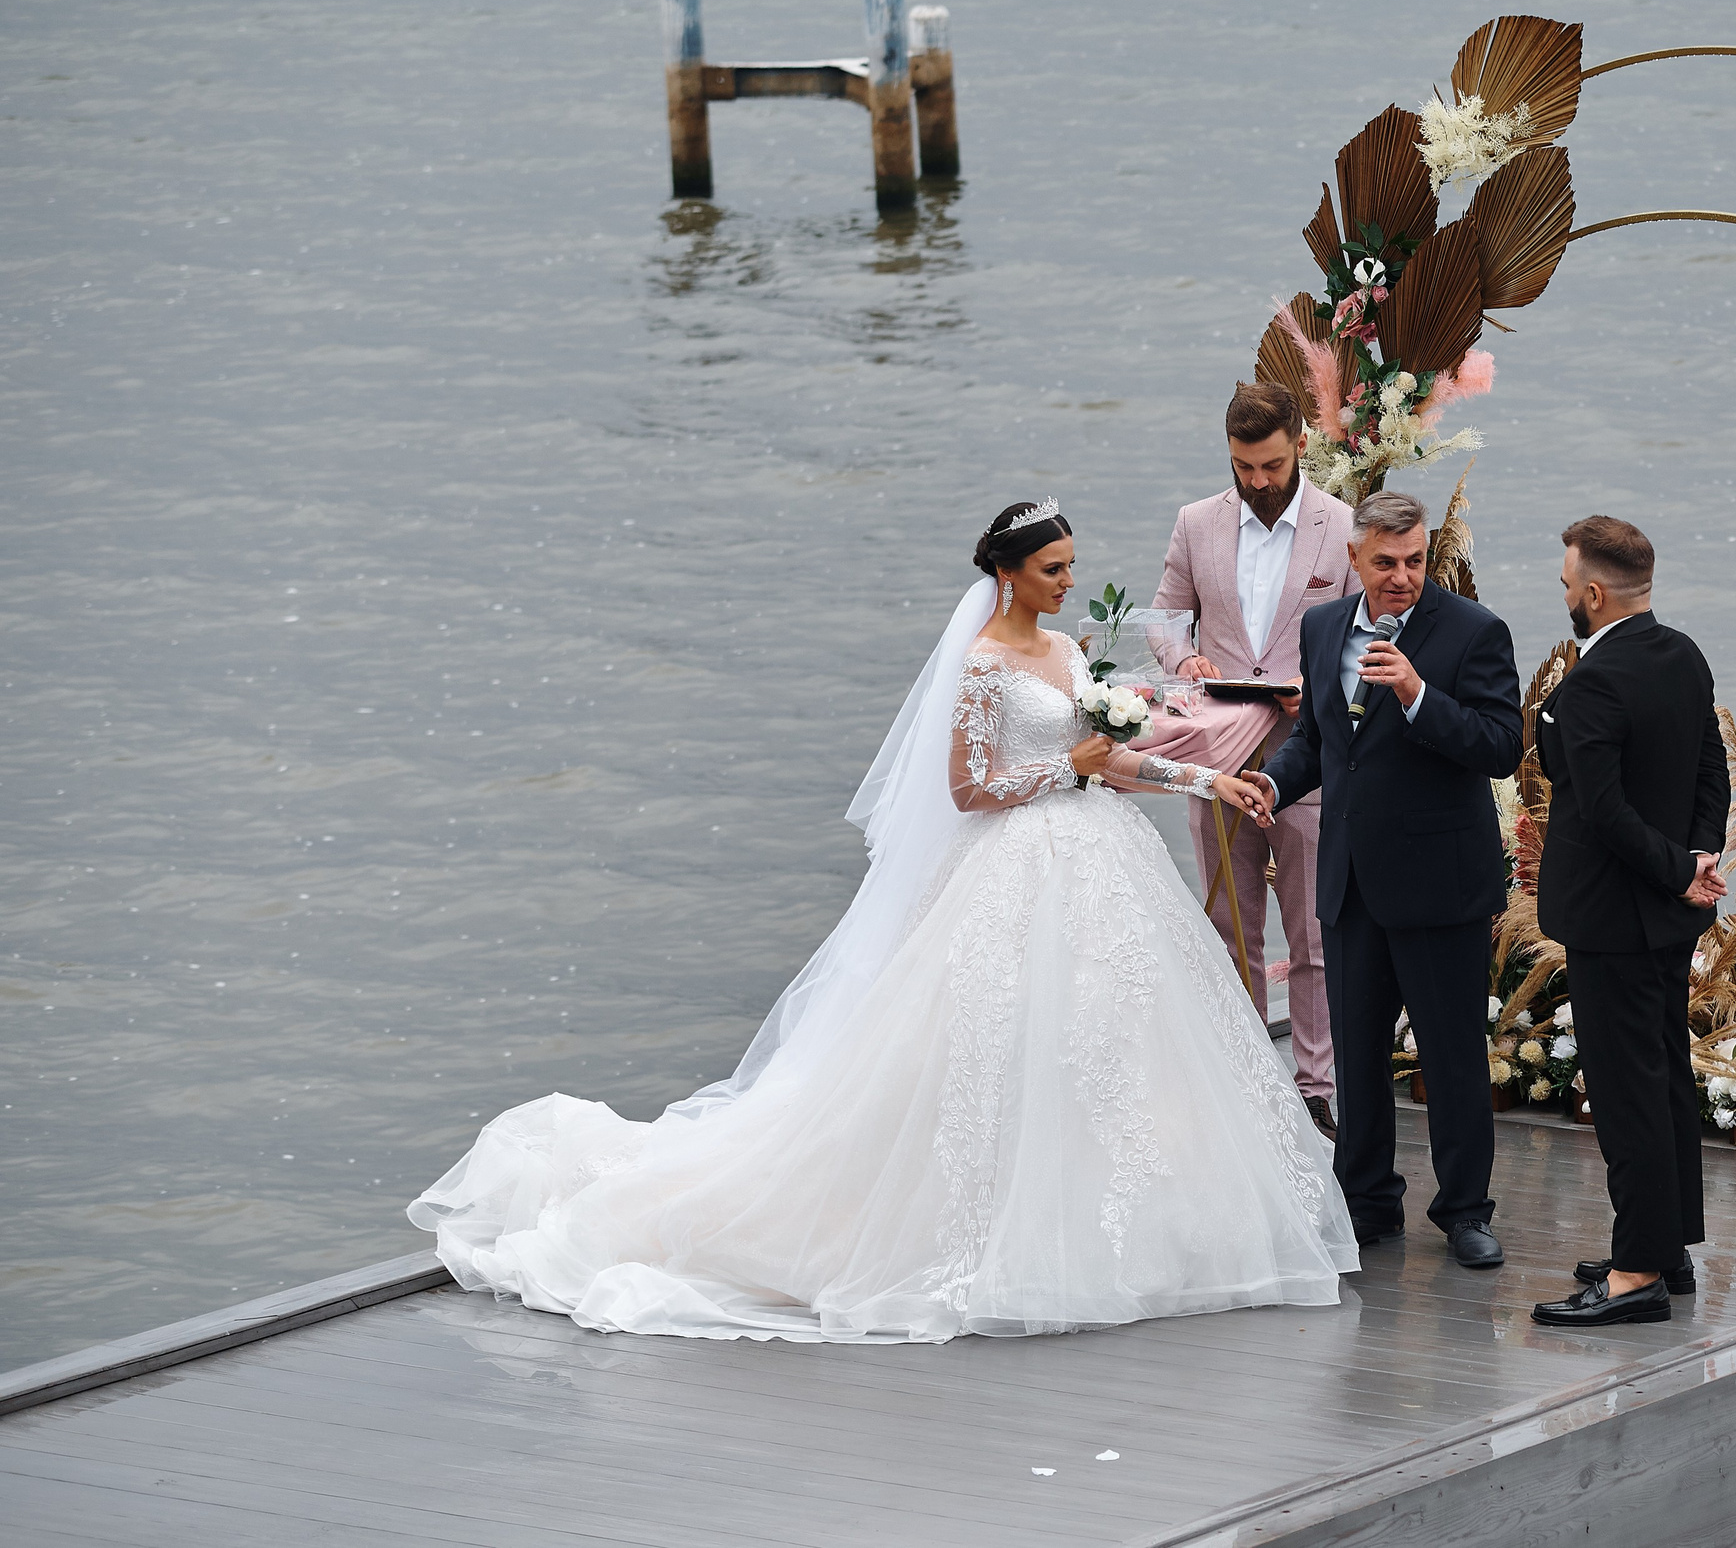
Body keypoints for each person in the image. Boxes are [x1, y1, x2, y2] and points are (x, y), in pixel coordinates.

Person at [408, 500, 1356, 1344]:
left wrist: (1208, 778)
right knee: (995, 1045)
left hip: (1099, 859)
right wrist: (1067, 768)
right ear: (1008, 574)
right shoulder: (984, 664)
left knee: (1107, 1042)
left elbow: (1110, 759)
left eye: (1071, 565)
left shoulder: (1069, 655)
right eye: (1054, 569)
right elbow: (970, 787)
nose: (1070, 583)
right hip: (1017, 866)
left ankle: (1121, 1214)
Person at [1254, 490, 1523, 1269]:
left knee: (1452, 1056)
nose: (1402, 577)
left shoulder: (1475, 632)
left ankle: (1465, 1208)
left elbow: (1500, 745)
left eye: (1414, 561)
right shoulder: (1322, 627)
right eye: (1386, 563)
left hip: (1441, 883)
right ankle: (1366, 1201)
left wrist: (1416, 694)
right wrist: (1274, 782)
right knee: (1358, 1055)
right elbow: (1315, 739)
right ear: (1354, 558)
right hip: (1350, 880)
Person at [1526, 516, 1730, 1329]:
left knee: (1625, 1093)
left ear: (1595, 592)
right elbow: (1710, 767)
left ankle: (1636, 1272)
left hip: (1615, 917)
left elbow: (1603, 812)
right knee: (1663, 1075)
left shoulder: (1592, 685)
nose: (1565, 592)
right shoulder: (1684, 656)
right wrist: (1698, 859)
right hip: (1670, 915)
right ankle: (1665, 1243)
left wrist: (1681, 868)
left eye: (1568, 581)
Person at [1153, 382, 1354, 1137]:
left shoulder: (1341, 527)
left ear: (1300, 443)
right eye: (1244, 467)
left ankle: (1315, 1085)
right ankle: (1238, 1070)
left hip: (1310, 756)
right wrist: (1186, 658)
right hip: (1219, 753)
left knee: (1313, 931)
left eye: (1270, 464)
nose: (1259, 481)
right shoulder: (1196, 522)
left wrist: (1325, 686)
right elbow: (1167, 613)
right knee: (1227, 923)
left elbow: (1374, 634)